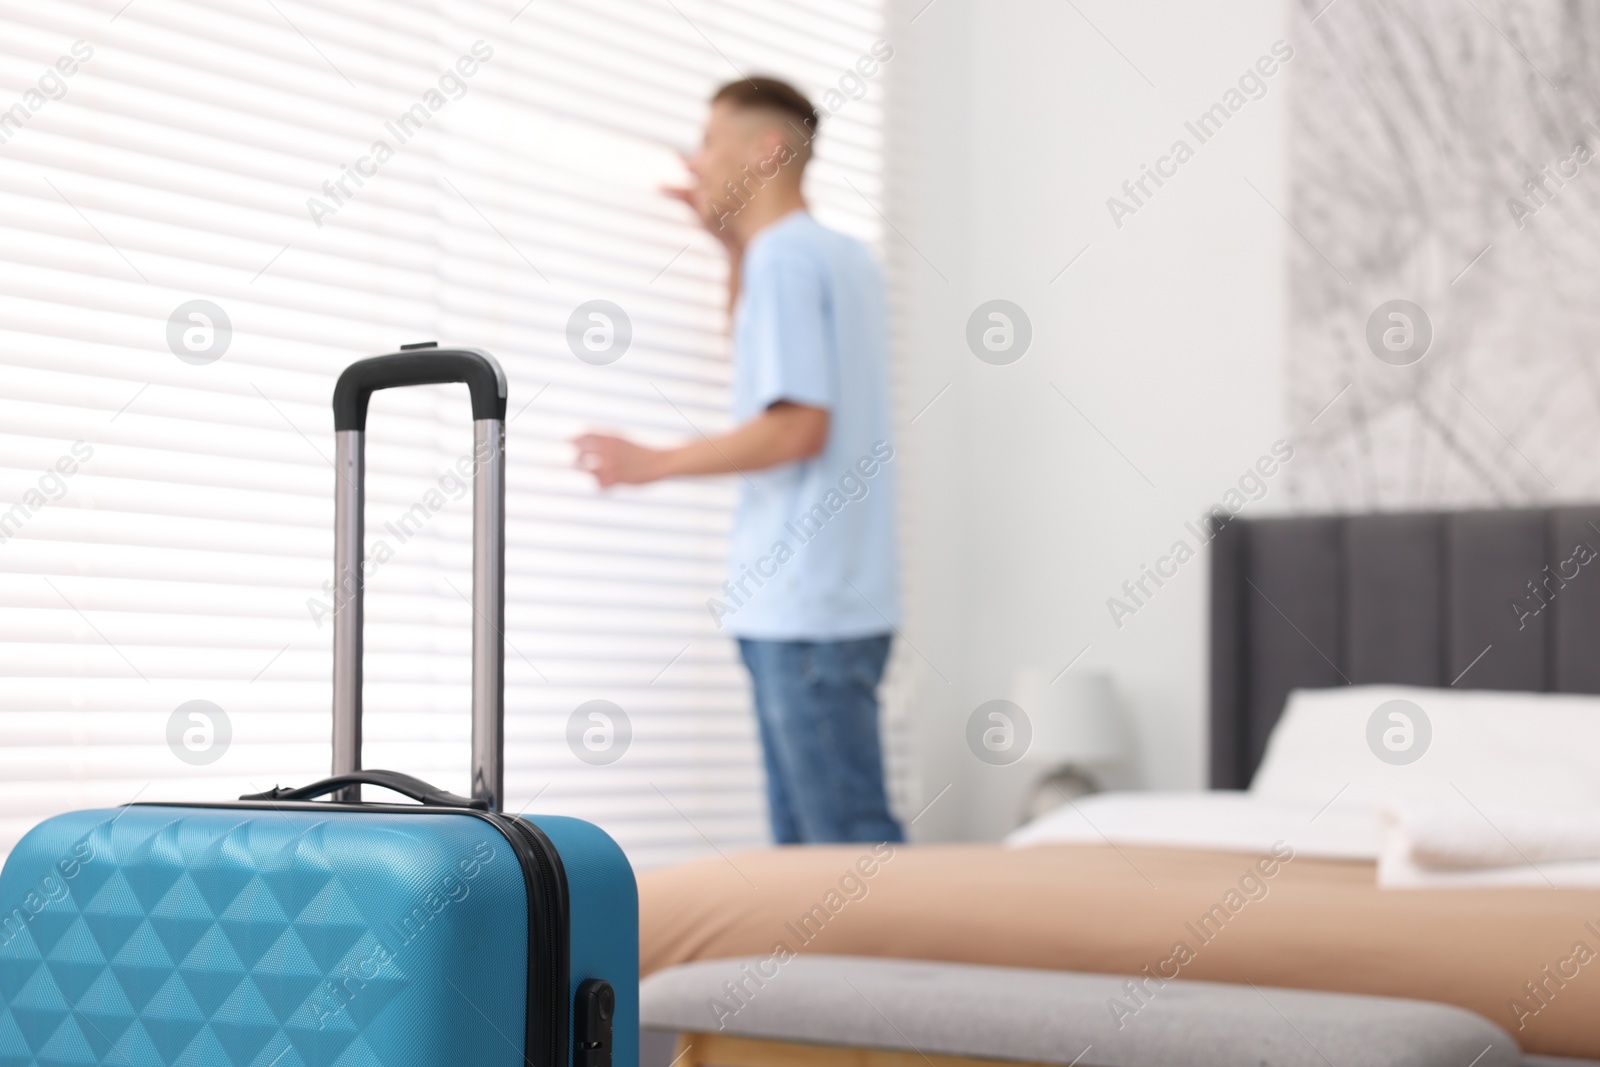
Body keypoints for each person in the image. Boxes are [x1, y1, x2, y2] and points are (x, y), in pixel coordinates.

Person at [573, 77, 903, 845]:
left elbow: (793, 428)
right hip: (838, 600)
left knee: (839, 855)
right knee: (828, 854)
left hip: (802, 606)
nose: (701, 157)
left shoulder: (784, 258)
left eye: (714, 140)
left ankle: (884, 969)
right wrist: (729, 247)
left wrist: (649, 462)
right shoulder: (837, 256)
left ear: (769, 149)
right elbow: (768, 380)